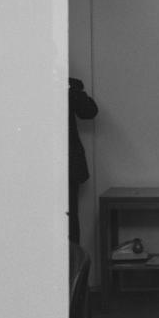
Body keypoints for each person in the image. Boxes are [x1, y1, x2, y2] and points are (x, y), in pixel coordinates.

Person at [68, 77, 97, 244]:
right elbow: (89, 111)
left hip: (65, 166)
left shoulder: (64, 87)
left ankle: (73, 267)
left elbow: (89, 111)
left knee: (70, 223)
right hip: (65, 165)